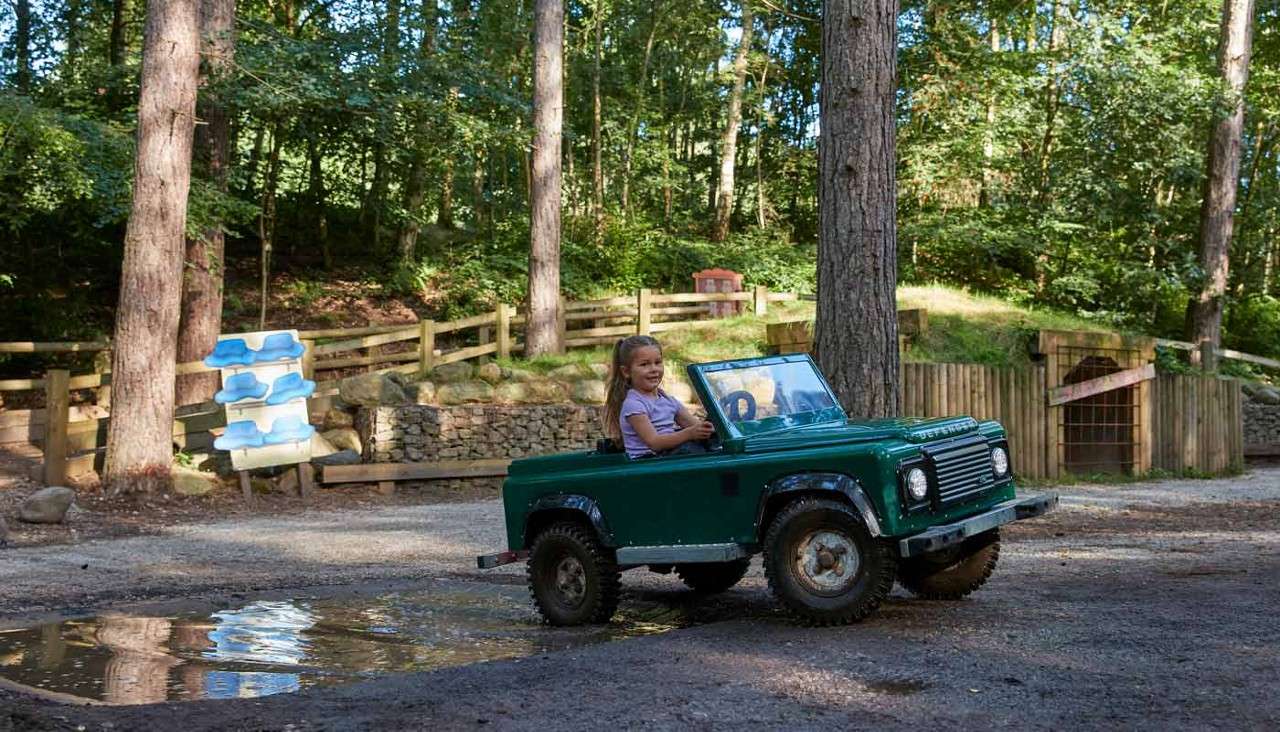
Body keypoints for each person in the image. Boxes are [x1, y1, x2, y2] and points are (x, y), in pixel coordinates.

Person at [603, 335, 715, 458]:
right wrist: (689, 434)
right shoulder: (634, 404)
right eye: (644, 364)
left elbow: (694, 425)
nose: (654, 369)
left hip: (667, 458)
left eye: (657, 362)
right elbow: (654, 443)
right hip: (647, 464)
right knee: (690, 451)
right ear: (626, 372)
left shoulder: (668, 401)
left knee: (707, 446)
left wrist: (712, 426)